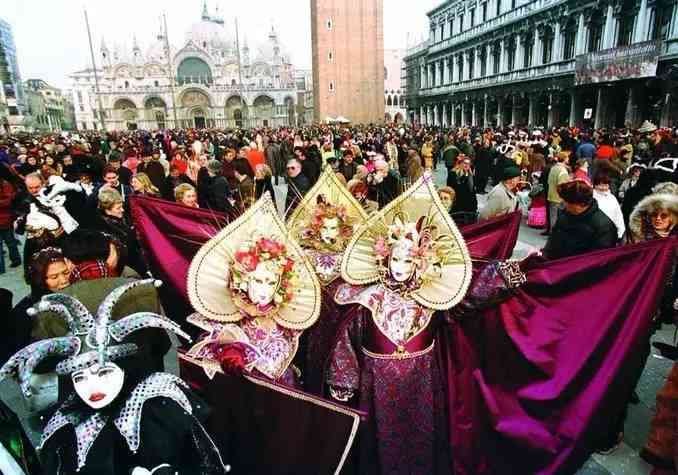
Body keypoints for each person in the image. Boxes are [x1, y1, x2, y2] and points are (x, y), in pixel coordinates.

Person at [0, 280, 226, 475]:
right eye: (79, 378)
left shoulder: (161, 408)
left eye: (104, 372)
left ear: (124, 367)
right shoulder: (66, 425)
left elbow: (205, 462)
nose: (92, 387)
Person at [543, 179, 618, 260]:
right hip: (554, 267)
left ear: (580, 204)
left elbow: (598, 260)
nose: (563, 204)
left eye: (566, 202)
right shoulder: (564, 214)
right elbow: (552, 241)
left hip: (578, 269)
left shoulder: (604, 227)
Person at [593, 173, 625, 240]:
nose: (604, 188)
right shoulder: (591, 198)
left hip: (612, 235)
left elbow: (618, 215)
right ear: (595, 185)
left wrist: (620, 232)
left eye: (606, 185)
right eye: (601, 185)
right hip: (596, 236)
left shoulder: (612, 198)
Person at [0, 166, 20, 274]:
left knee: (10, 242)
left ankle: (16, 260)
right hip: (4, 218)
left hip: (5, 219)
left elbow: (9, 200)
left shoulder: (5, 184)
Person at [447, 155, 477, 224]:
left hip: (469, 207)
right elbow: (452, 189)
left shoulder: (470, 176)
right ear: (460, 163)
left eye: (468, 163)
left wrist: (475, 206)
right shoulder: (453, 174)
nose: (467, 165)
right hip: (457, 206)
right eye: (465, 163)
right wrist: (464, 177)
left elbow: (472, 192)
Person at [547, 152, 571, 231]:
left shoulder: (553, 168)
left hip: (551, 194)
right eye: (567, 157)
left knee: (553, 215)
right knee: (559, 216)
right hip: (558, 197)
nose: (568, 159)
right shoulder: (563, 170)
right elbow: (562, 185)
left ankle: (552, 231)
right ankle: (555, 233)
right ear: (564, 159)